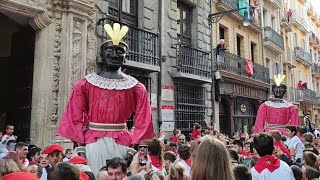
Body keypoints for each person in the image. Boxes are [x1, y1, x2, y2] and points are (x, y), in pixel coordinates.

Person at [56, 22, 154, 176]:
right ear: (101, 54)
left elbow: (144, 124)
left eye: (120, 51)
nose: (114, 55)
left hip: (124, 146)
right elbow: (74, 118)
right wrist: (81, 151)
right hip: (92, 146)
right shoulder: (84, 84)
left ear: (125, 56)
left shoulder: (137, 87)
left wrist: (132, 153)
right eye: (109, 50)